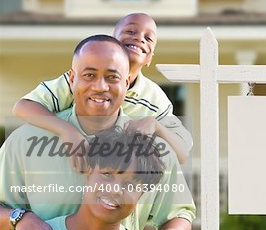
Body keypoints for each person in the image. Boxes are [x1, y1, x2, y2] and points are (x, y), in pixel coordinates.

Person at [0, 35, 195, 230]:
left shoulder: (152, 149)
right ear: (72, 79)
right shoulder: (25, 142)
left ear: (127, 82)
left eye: (112, 77)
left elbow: (180, 214)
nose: (101, 87)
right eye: (89, 75)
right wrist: (21, 220)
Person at [0, 128, 170, 230]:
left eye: (130, 184)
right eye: (107, 174)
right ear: (88, 174)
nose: (115, 190)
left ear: (141, 195)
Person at [13, 12, 192, 166]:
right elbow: (23, 107)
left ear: (150, 58)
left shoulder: (154, 98)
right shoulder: (80, 81)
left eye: (148, 38)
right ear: (112, 41)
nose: (139, 38)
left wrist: (156, 126)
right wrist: (67, 131)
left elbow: (182, 154)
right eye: (130, 31)